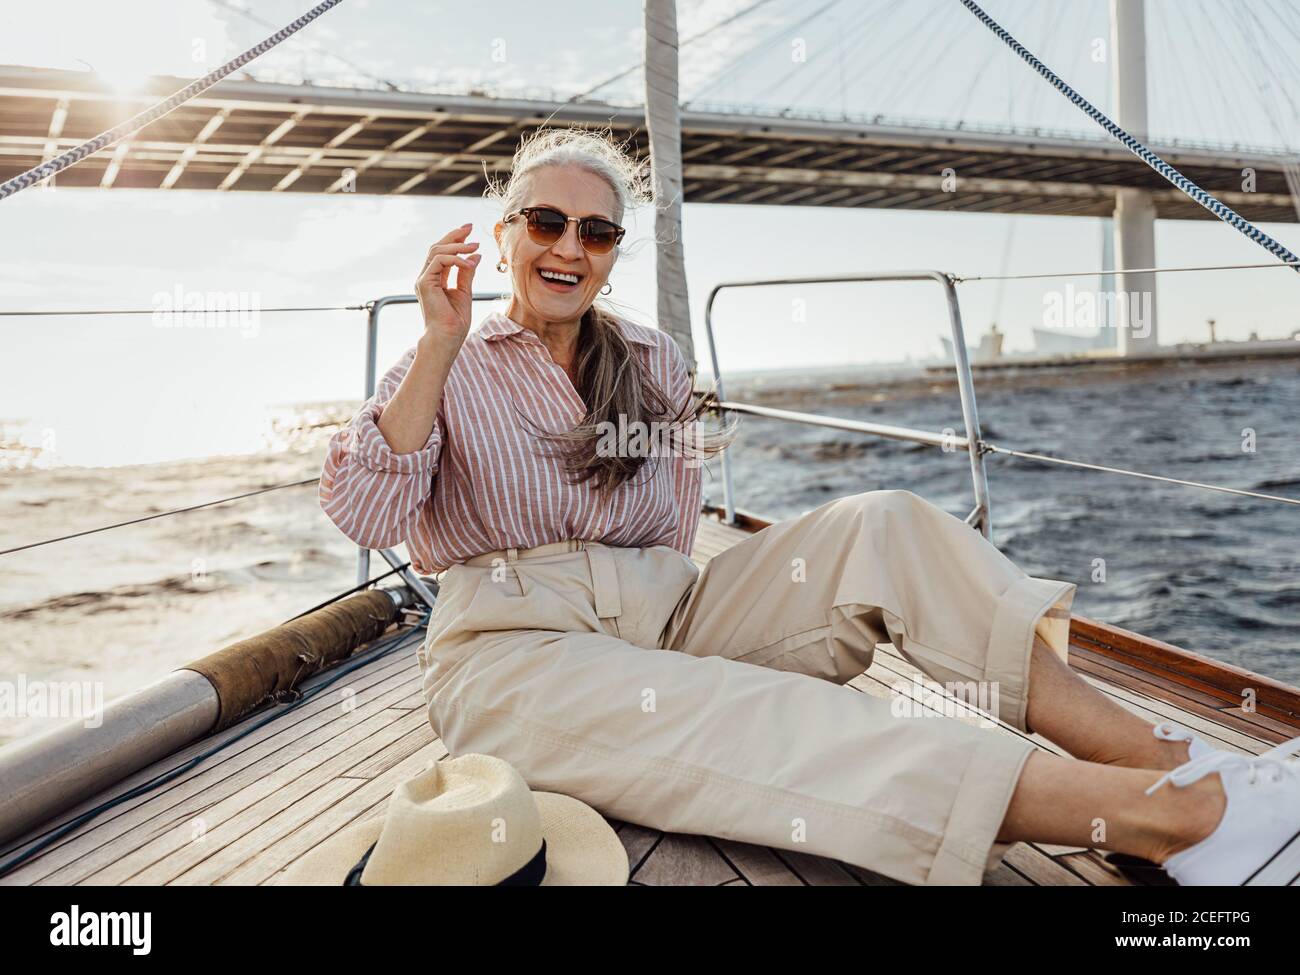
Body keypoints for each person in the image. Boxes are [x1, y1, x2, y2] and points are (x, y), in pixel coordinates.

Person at [319, 125, 1299, 887]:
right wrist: (441, 341)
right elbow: (364, 511)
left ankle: (1177, 757)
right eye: (544, 223)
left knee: (886, 525)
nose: (569, 246)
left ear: (614, 249)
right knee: (757, 714)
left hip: (665, 615)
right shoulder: (440, 363)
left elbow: (668, 526)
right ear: (502, 239)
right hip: (516, 648)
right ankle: (1187, 821)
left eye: (597, 229)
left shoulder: (654, 361)